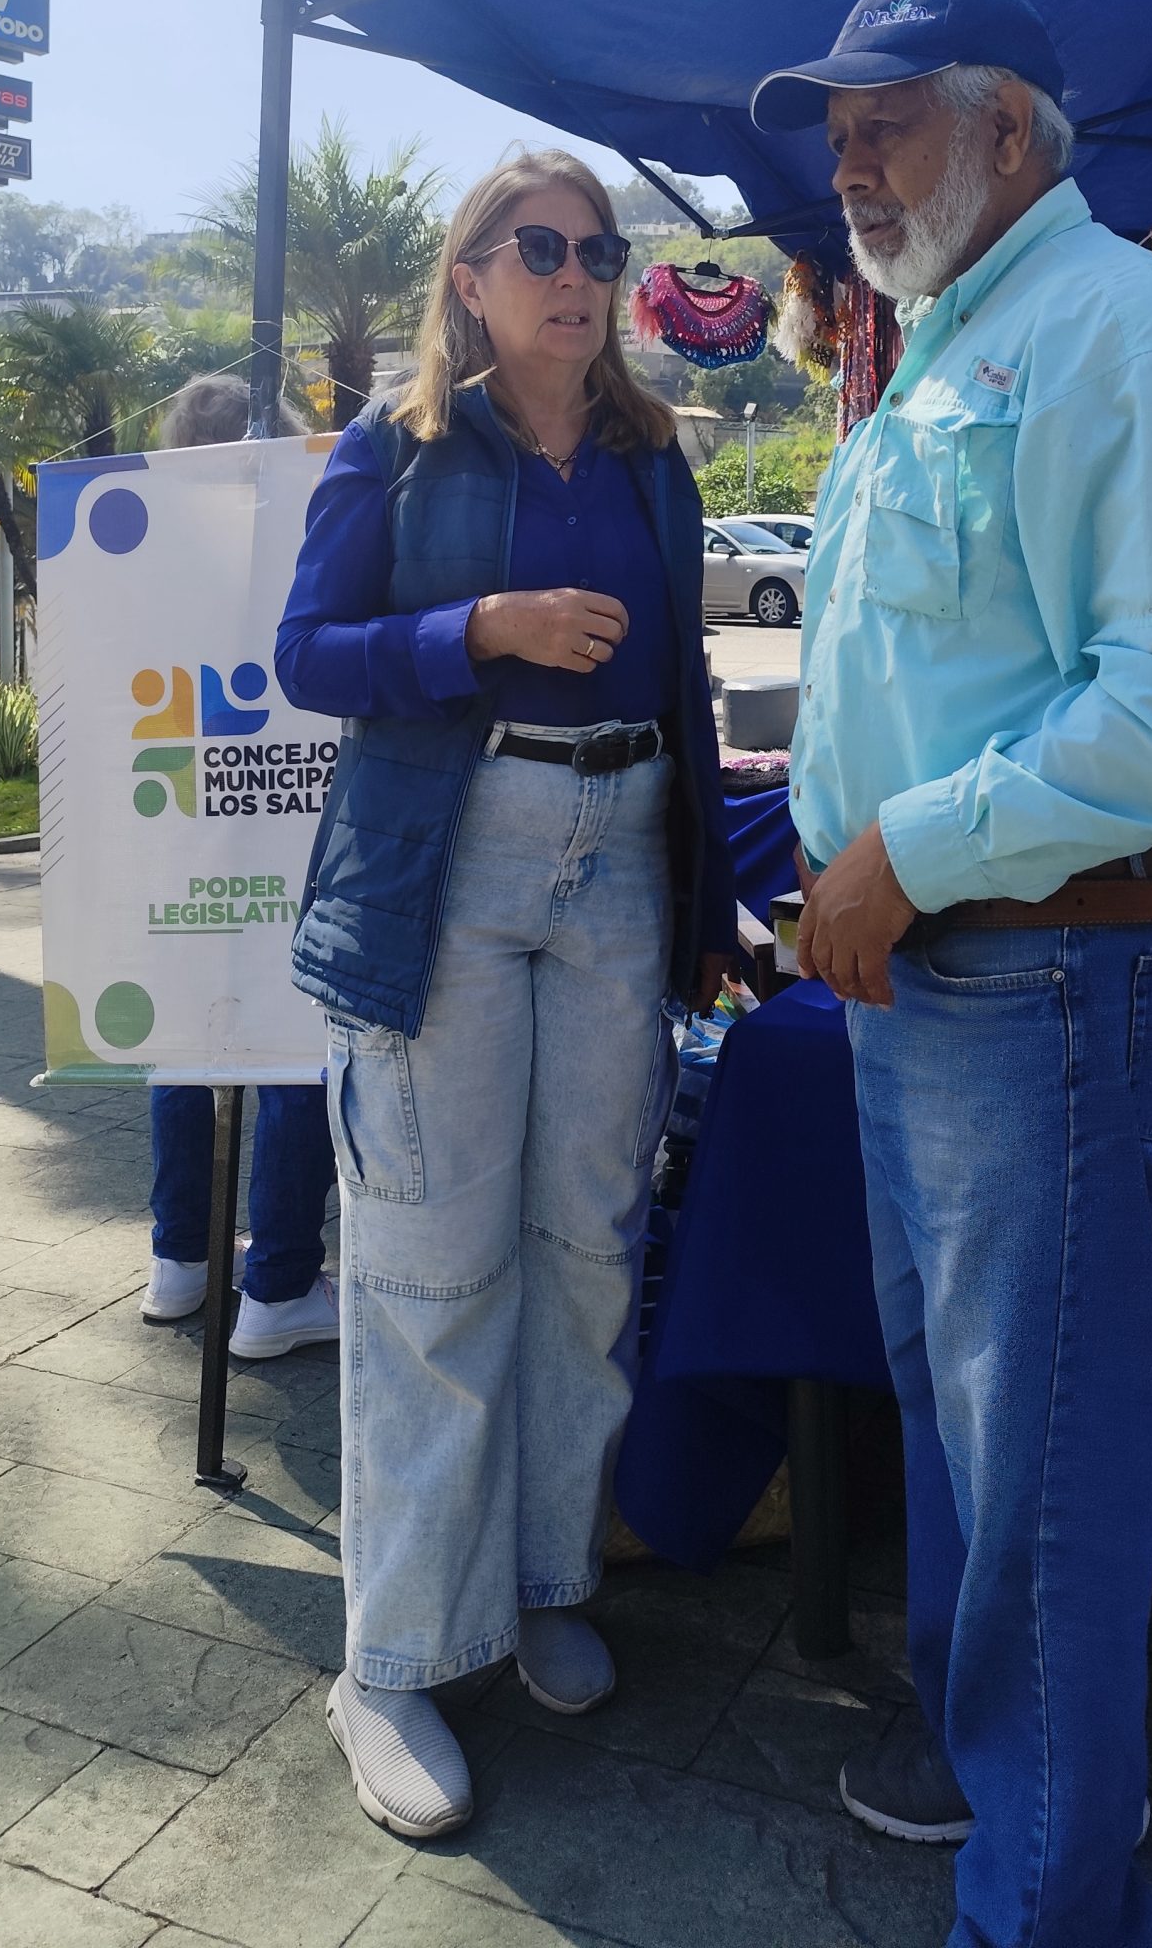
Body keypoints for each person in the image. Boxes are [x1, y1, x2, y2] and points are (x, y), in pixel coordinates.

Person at [750, 0, 1152, 1948]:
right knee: (970, 1424)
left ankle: (1048, 1901)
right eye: (840, 124)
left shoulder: (1124, 328)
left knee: (1036, 1464)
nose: (848, 158)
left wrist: (901, 847)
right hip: (934, 986)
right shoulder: (947, 338)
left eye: (890, 116)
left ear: (1014, 134)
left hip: (1033, 977)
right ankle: (1006, 1790)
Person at [275, 148, 737, 1841]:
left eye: (598, 250)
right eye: (535, 245)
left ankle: (545, 1578)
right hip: (450, 862)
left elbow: (683, 682)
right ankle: (389, 1659)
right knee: (424, 1265)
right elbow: (305, 653)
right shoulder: (390, 446)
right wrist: (478, 626)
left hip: (618, 856)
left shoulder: (653, 458)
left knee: (584, 1251)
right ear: (467, 277)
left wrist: (707, 899)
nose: (575, 272)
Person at [140, 374, 339, 1360]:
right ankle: (281, 1282)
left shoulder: (140, 557)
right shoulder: (306, 544)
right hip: (291, 831)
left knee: (187, 1038)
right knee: (298, 1044)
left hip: (176, 830)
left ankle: (180, 1260)